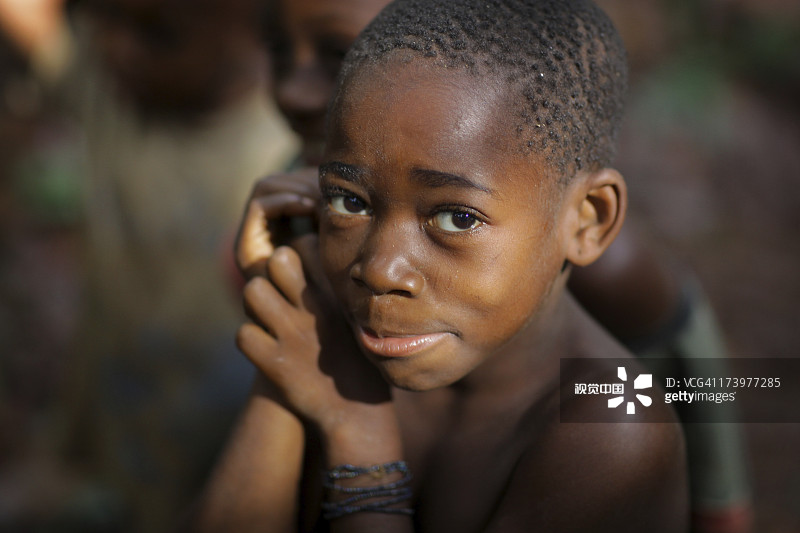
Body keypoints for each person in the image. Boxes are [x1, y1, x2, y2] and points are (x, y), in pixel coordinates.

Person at [185, 1, 689, 532]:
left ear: (588, 221)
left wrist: (361, 441)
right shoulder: (333, 334)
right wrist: (287, 306)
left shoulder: (612, 429)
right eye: (348, 202)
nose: (380, 271)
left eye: (455, 217)